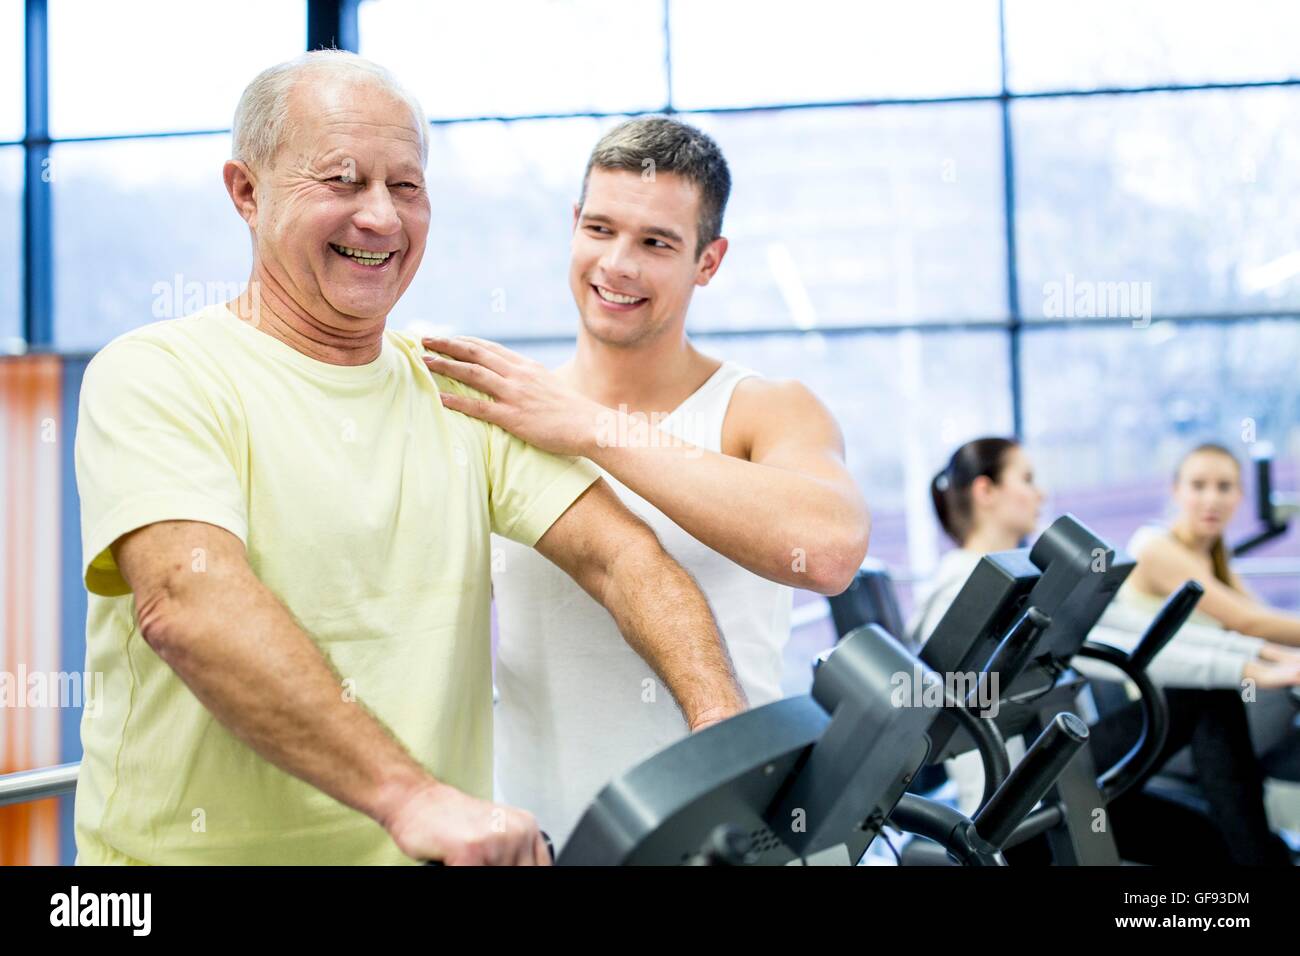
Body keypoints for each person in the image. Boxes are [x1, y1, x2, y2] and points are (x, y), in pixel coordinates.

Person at [72, 52, 747, 867]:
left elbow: (621, 558)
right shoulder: (158, 374)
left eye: (406, 186)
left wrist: (724, 734)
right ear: (247, 192)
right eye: (343, 181)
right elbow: (190, 602)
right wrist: (413, 799)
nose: (381, 218)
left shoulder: (454, 384)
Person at [421, 116, 870, 847]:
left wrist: (595, 427)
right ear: (573, 225)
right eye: (599, 229)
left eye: (656, 243)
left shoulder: (762, 408)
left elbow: (828, 550)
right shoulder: (507, 418)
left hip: (728, 834)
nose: (618, 264)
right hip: (553, 841)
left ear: (708, 261)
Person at [909, 437, 1294, 865]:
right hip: (1016, 805)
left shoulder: (1025, 574)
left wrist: (1255, 655)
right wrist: (1245, 668)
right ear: (986, 491)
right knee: (1204, 701)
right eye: (1028, 479)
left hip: (1058, 771)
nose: (1041, 494)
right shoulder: (966, 586)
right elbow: (1107, 648)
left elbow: (1128, 629)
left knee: (1210, 841)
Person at [1115, 442, 1300, 781]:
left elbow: (1260, 618)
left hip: (1214, 707)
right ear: (1177, 491)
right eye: (1198, 486)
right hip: (1170, 723)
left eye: (1224, 487)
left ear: (1239, 495)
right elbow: (1249, 623)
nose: (1212, 499)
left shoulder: (1214, 556)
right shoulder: (1154, 547)